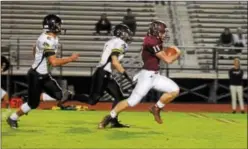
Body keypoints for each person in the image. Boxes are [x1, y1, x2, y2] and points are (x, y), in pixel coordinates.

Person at [98, 20, 180, 128]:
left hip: (155, 76)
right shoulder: (152, 41)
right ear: (156, 32)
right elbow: (168, 60)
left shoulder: (154, 40)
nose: (164, 34)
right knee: (132, 102)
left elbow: (160, 55)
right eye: (162, 32)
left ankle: (156, 108)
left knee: (174, 90)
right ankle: (109, 117)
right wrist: (177, 53)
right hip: (147, 76)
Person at [7, 14, 80, 129]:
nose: (60, 27)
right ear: (52, 26)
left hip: (43, 75)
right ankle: (12, 118)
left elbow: (34, 48)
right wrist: (71, 59)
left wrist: (39, 59)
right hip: (36, 76)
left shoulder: (50, 38)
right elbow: (54, 62)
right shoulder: (47, 40)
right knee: (33, 104)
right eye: (58, 25)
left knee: (61, 95)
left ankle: (57, 102)